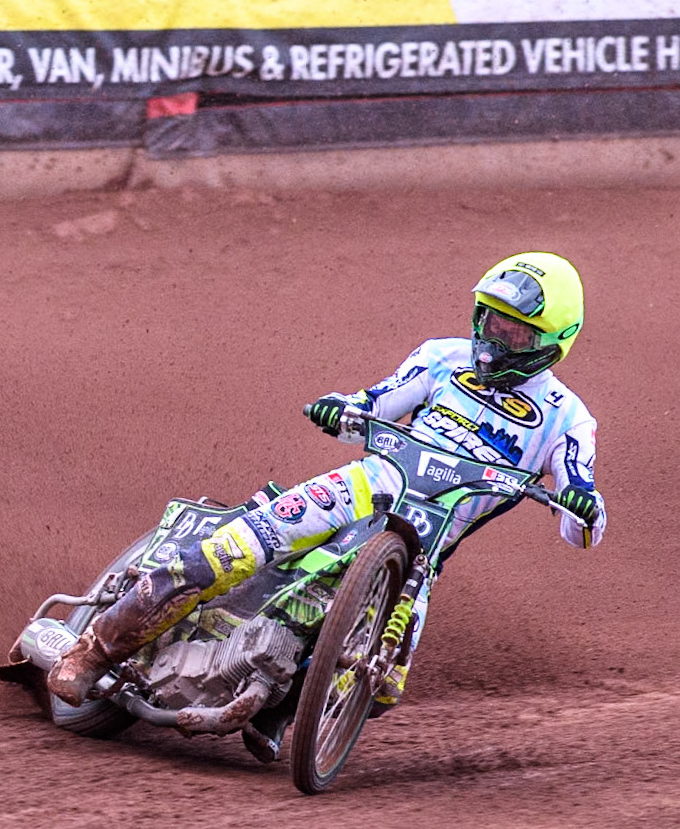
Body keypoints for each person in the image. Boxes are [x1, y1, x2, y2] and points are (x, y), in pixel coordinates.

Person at [47, 252, 606, 721]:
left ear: (555, 338)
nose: (494, 339)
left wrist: (584, 505)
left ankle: (274, 710)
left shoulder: (568, 419)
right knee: (231, 552)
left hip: (426, 547)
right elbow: (375, 402)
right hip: (364, 485)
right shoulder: (441, 358)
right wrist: (342, 408)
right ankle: (91, 652)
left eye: (514, 330)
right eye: (490, 320)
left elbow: (581, 528)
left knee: (381, 688)